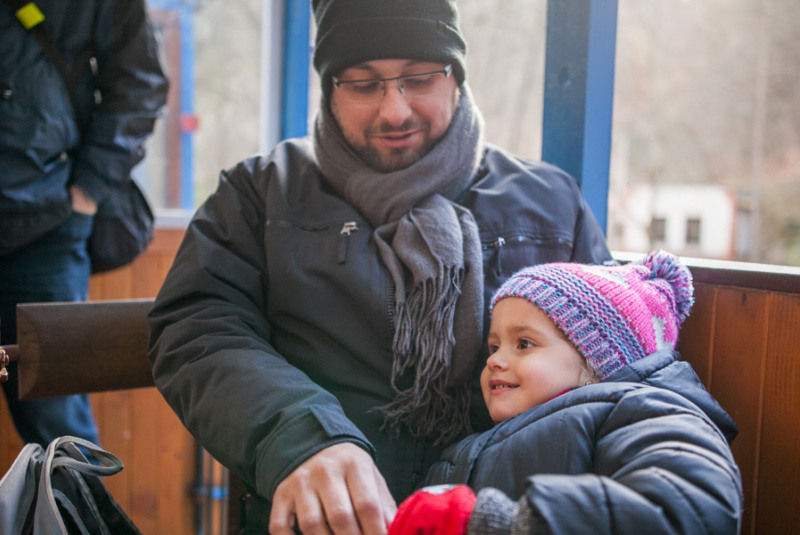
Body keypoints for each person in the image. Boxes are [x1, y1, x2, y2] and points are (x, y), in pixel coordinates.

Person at [147, 0, 612, 533]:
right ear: (329, 87)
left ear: (456, 77)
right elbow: (198, 329)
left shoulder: (552, 203)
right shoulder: (259, 197)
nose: (394, 111)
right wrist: (301, 438)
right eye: (364, 84)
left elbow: (624, 361)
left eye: (418, 79)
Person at [390, 251, 743, 535]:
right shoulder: (468, 445)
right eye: (493, 345)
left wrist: (501, 524)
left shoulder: (644, 412)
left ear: (596, 362)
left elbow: (690, 509)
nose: (496, 359)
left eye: (523, 344)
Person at [0, 1, 168, 448]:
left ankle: (81, 521)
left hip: (46, 228)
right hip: (51, 214)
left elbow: (139, 87)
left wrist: (86, 194)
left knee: (60, 431)